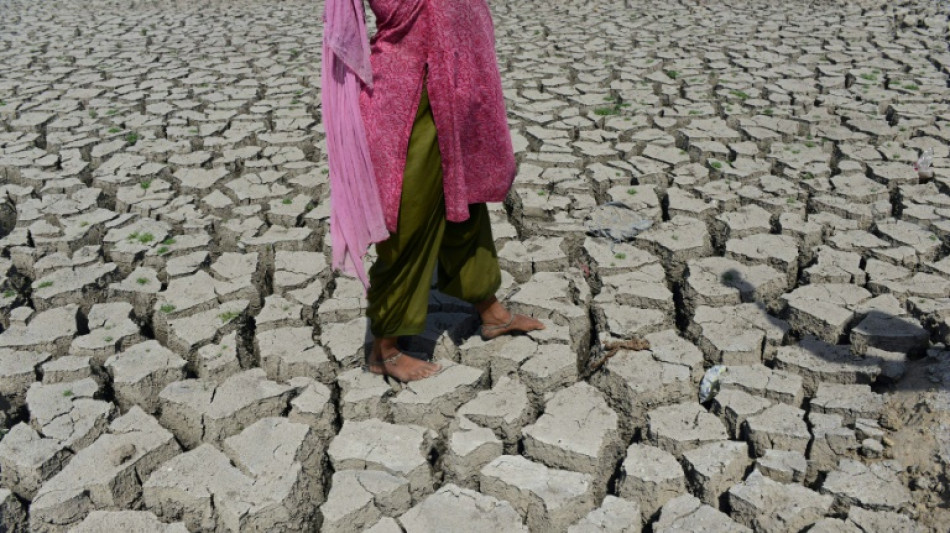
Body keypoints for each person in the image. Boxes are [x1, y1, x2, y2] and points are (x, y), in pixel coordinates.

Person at [322, 0, 544, 382]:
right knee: (410, 218)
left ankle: (491, 314)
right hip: (408, 94)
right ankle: (384, 350)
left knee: (466, 205)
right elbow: (348, 34)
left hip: (458, 85)